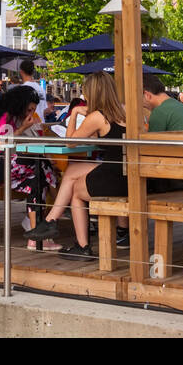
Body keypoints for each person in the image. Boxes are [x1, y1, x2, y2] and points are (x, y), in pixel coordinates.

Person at [26, 73, 125, 259]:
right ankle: (51, 220)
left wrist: (75, 114)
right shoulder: (124, 111)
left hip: (116, 176)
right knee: (73, 171)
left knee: (77, 189)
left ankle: (78, 243)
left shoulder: (97, 116)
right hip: (129, 172)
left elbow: (70, 142)